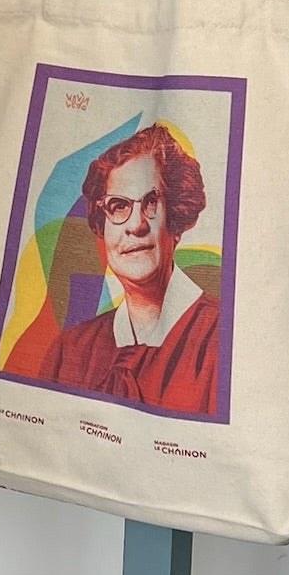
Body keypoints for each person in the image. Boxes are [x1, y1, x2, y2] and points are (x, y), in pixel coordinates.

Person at [39, 122, 222, 417]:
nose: (136, 225)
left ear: (176, 219)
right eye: (118, 206)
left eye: (151, 202)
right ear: (102, 226)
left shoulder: (224, 339)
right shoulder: (68, 352)